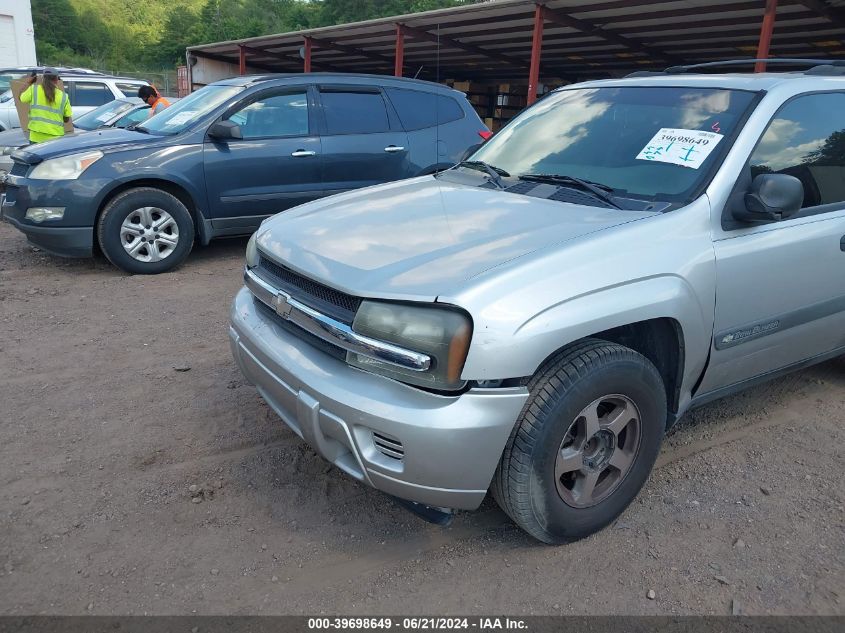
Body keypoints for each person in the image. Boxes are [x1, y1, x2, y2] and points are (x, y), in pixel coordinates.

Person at [19, 69, 72, 143]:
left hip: (36, 137)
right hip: (56, 138)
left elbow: (21, 98)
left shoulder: (33, 89)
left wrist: (29, 82)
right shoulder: (64, 96)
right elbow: (66, 119)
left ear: (43, 78)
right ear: (57, 79)